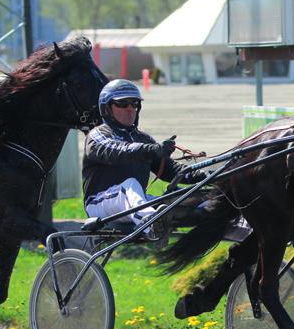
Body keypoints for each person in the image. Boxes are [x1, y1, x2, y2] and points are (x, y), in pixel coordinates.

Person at [82, 79, 204, 239]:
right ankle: (152, 226)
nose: (130, 109)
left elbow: (172, 170)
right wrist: (152, 150)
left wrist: (203, 175)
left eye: (134, 104)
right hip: (100, 204)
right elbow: (119, 151)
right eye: (123, 104)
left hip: (135, 203)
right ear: (107, 108)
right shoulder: (97, 134)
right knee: (130, 185)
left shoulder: (143, 139)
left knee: (196, 199)